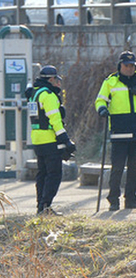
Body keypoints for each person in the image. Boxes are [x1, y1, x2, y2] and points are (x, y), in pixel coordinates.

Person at [95, 51, 136, 211]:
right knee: (117, 168)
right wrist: (102, 109)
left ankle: (131, 199)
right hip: (119, 131)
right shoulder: (111, 81)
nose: (130, 68)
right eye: (127, 65)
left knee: (134, 167)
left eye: (132, 66)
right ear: (120, 66)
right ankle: (114, 199)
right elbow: (100, 100)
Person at [26, 65, 76, 216]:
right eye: (57, 80)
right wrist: (66, 140)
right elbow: (55, 120)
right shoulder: (48, 95)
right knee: (54, 174)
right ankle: (46, 207)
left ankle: (41, 207)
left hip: (37, 139)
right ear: (51, 79)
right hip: (49, 139)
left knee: (42, 174)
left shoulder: (34, 93)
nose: (59, 84)